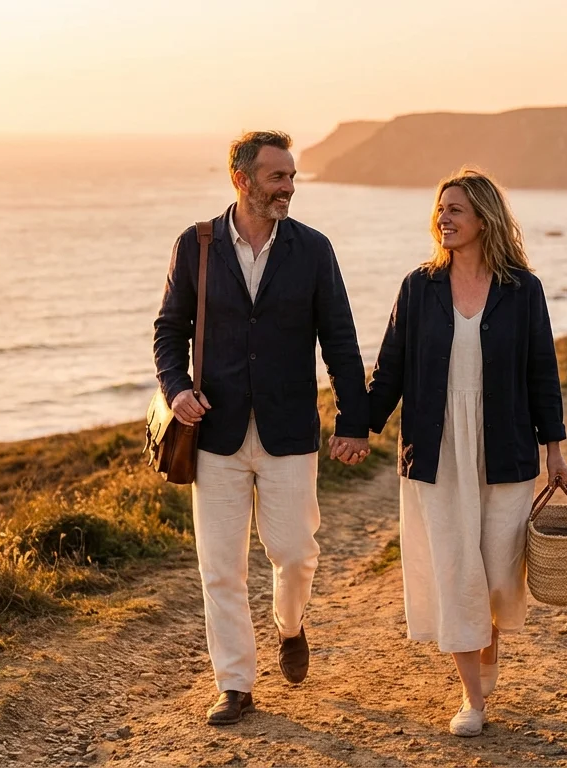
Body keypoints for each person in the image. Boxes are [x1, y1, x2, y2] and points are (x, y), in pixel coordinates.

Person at [153, 130, 371, 726]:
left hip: (289, 430)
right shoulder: (195, 245)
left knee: (295, 553)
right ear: (242, 179)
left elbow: (341, 340)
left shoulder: (313, 249)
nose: (290, 188)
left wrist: (354, 420)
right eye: (278, 177)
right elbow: (169, 331)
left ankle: (291, 625)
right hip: (215, 434)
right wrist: (177, 391)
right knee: (219, 565)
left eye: (293, 177)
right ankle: (235, 683)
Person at [367, 168, 567, 737]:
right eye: (440, 209)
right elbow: (389, 370)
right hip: (437, 449)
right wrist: (358, 428)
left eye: (456, 209)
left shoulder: (521, 289)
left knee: (500, 573)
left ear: (484, 217)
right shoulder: (418, 286)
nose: (445, 218)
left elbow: (542, 373)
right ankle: (472, 700)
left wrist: (555, 449)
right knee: (457, 568)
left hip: (504, 444)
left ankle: (486, 648)